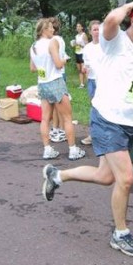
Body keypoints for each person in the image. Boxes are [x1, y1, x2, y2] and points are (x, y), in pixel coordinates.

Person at [42, 2, 133, 257]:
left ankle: (57, 176)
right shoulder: (116, 41)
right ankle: (120, 234)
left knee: (105, 177)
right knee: (126, 178)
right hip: (106, 117)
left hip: (129, 121)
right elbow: (111, 20)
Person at [30, 17, 86, 161]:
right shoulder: (52, 42)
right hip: (55, 82)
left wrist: (44, 67)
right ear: (44, 30)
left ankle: (47, 149)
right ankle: (73, 150)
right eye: (50, 27)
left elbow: (32, 68)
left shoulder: (33, 46)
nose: (53, 30)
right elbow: (58, 64)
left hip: (42, 83)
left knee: (44, 119)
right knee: (67, 118)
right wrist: (65, 60)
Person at [80, 19, 102, 145]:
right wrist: (84, 68)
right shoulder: (87, 48)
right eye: (94, 29)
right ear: (90, 32)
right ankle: (93, 134)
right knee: (94, 107)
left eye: (99, 29)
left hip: (105, 81)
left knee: (105, 108)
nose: (97, 32)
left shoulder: (107, 46)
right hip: (92, 81)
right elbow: (85, 64)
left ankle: (105, 134)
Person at [49, 18, 70, 143]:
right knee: (56, 105)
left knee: (60, 106)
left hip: (58, 75)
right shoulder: (57, 39)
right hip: (56, 75)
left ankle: (61, 130)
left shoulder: (55, 40)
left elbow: (57, 60)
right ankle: (56, 128)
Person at [71, 22, 88, 88]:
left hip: (82, 53)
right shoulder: (76, 36)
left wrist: (80, 45)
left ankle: (89, 83)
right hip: (77, 53)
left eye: (79, 26)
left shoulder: (84, 35)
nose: (78, 28)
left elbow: (87, 45)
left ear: (82, 27)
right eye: (77, 26)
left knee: (84, 69)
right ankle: (82, 84)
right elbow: (76, 45)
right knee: (79, 70)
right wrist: (74, 45)